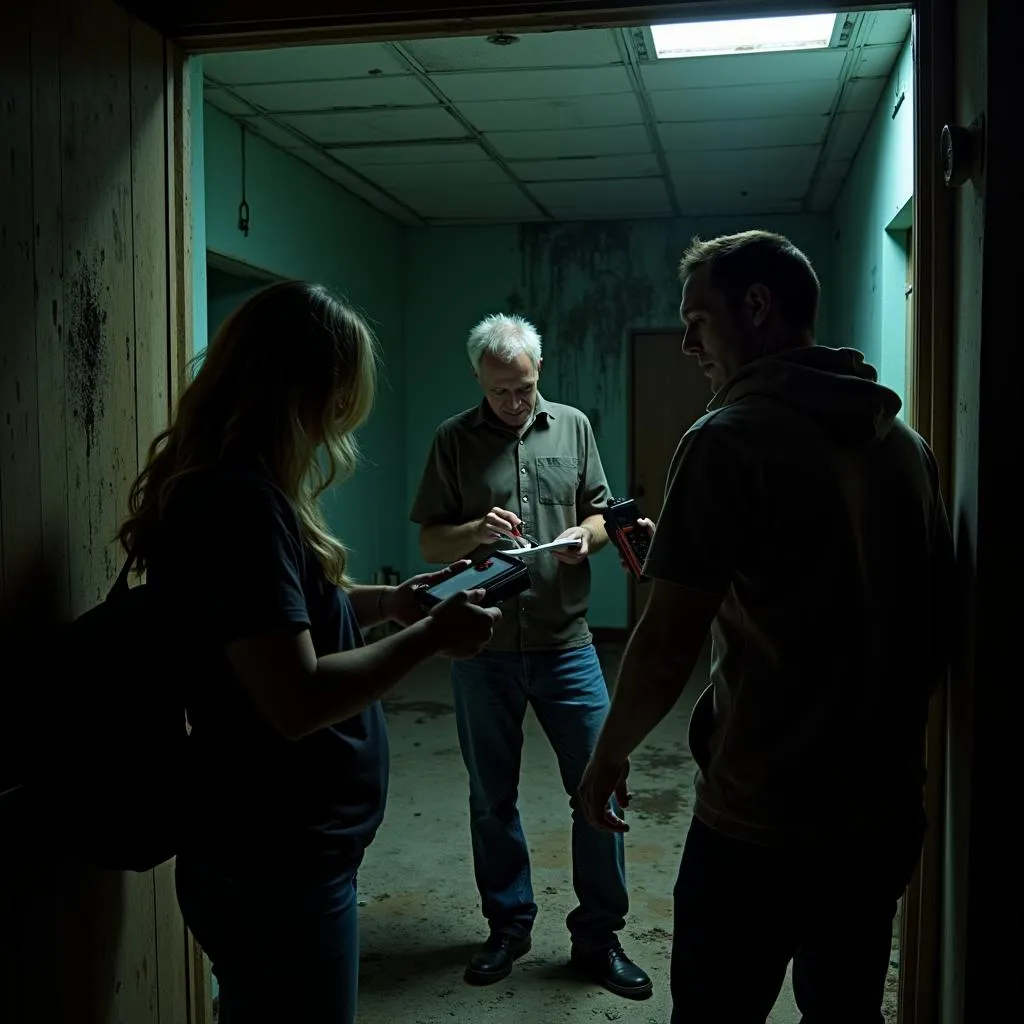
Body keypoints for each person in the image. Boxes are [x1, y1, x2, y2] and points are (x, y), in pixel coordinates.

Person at [579, 231, 953, 1023]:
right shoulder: (907, 447)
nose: (686, 344)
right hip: (879, 813)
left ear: (757, 307)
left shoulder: (726, 438)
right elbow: (916, 616)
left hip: (761, 821)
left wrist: (607, 756)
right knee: (846, 1008)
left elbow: (665, 649)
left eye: (698, 321)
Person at [118, 281, 501, 1024]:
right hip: (275, 858)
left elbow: (270, 622)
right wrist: (430, 637)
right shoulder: (242, 504)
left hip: (268, 849)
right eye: (342, 392)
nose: (342, 416)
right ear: (312, 387)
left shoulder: (230, 487)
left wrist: (387, 605)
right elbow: (293, 700)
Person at [410, 313, 652, 999]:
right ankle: (508, 926)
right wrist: (472, 530)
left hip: (567, 645)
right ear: (479, 381)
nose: (515, 404)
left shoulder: (572, 426)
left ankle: (599, 938)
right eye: (500, 393)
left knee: (600, 788)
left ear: (537, 374)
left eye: (524, 389)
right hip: (478, 645)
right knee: (492, 798)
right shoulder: (452, 441)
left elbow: (606, 515)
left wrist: (587, 534)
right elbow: (430, 543)